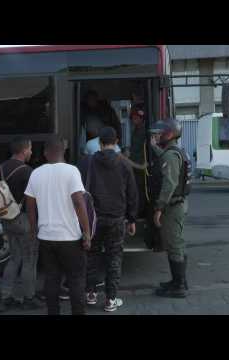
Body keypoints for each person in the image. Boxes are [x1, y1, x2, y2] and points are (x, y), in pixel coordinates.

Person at [25, 136, 91, 315]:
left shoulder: (36, 173)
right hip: (70, 238)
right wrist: (87, 232)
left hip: (46, 238)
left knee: (51, 280)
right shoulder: (72, 171)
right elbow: (79, 202)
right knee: (76, 281)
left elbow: (29, 205)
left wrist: (33, 229)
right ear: (64, 150)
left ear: (46, 153)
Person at [78, 127, 138, 312]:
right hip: (117, 218)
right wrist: (132, 218)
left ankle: (90, 293)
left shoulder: (88, 161)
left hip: (94, 219)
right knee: (114, 258)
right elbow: (132, 194)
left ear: (100, 143)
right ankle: (110, 300)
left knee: (92, 255)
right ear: (117, 141)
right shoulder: (124, 163)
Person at [0, 137, 43, 313]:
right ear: (24, 150)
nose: (31, 152)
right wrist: (34, 224)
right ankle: (29, 297)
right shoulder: (27, 171)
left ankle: (5, 297)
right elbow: (33, 200)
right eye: (30, 149)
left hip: (6, 219)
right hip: (23, 219)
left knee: (14, 258)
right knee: (29, 259)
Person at [150, 119, 190, 299]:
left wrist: (159, 208)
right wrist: (155, 148)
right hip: (178, 204)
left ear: (169, 134)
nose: (158, 135)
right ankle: (177, 281)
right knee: (175, 243)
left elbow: (169, 184)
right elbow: (167, 160)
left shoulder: (170, 155)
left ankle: (179, 286)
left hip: (172, 206)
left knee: (174, 245)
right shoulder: (174, 152)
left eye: (160, 133)